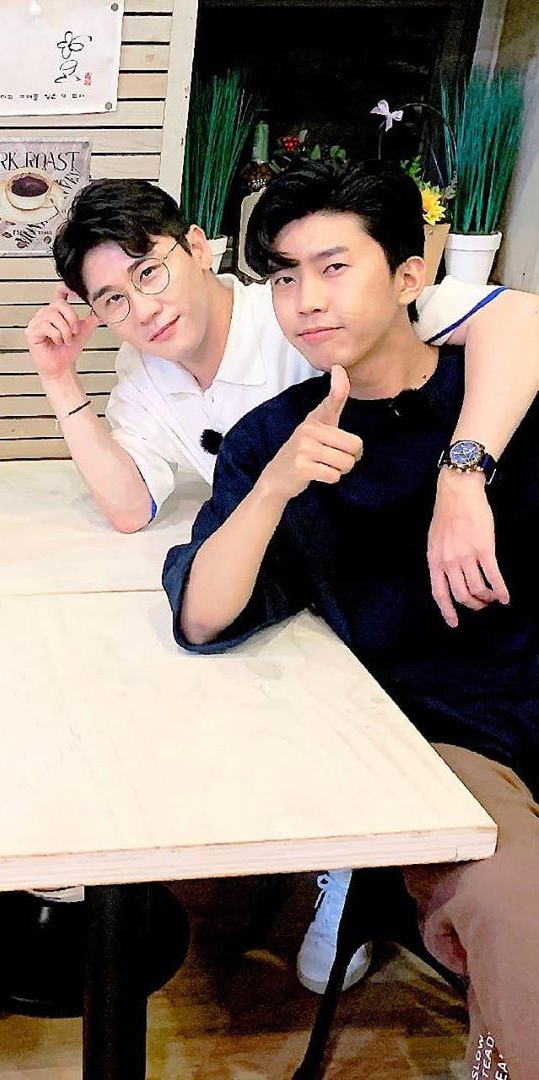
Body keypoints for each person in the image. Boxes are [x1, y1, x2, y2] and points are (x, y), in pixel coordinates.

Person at [25, 176, 539, 994]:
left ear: (199, 249)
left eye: (149, 272)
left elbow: (519, 318)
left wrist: (464, 470)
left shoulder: (358, 329)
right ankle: (352, 858)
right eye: (113, 299)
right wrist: (62, 382)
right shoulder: (214, 408)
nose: (143, 308)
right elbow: (146, 529)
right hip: (395, 665)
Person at [164, 157, 539, 1078]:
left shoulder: (497, 396)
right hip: (453, 739)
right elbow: (203, 617)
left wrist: (463, 475)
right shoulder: (277, 436)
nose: (305, 300)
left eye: (334, 267)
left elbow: (522, 319)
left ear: (411, 276)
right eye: (284, 277)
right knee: (516, 908)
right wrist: (275, 488)